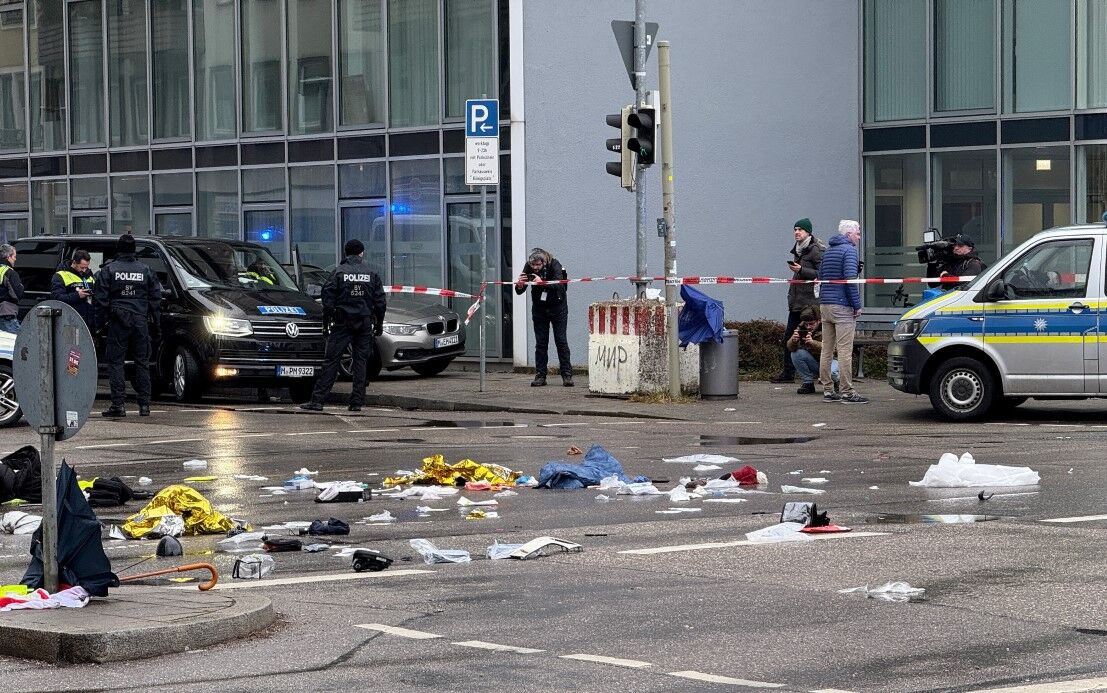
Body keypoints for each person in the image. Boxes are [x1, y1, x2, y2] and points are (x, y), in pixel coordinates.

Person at [300, 239, 386, 412]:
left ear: (346, 253)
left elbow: (328, 301)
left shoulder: (338, 272)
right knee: (360, 362)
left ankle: (317, 401)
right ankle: (356, 402)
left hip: (342, 323)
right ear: (361, 253)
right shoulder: (371, 273)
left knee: (331, 361)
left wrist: (326, 324)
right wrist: (379, 324)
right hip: (364, 322)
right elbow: (380, 302)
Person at [94, 234, 162, 418]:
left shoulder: (109, 270)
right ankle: (144, 405)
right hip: (140, 321)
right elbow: (156, 301)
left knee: (116, 363)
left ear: (118, 249)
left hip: (118, 321)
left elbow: (100, 302)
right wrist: (156, 328)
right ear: (134, 250)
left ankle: (118, 405)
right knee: (142, 363)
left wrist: (98, 327)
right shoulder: (146, 270)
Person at [817, 220, 867, 404]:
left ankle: (828, 390)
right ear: (849, 234)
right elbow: (849, 281)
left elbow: (821, 277)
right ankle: (847, 391)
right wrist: (856, 305)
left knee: (827, 349)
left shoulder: (828, 251)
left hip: (825, 304)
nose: (859, 237)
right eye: (857, 233)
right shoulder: (849, 251)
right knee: (845, 350)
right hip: (842, 305)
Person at [773, 218, 824, 383]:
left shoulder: (816, 250)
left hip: (809, 304)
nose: (796, 232)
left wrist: (802, 270)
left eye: (800, 229)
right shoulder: (798, 250)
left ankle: (818, 372)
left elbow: (822, 274)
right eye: (795, 229)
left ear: (808, 232)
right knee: (790, 337)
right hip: (797, 302)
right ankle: (789, 373)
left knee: (811, 338)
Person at [514, 248, 572, 387]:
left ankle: (567, 375)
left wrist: (542, 282)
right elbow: (520, 291)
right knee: (541, 342)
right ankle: (540, 375)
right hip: (539, 308)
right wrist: (520, 285)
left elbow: (560, 286)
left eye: (538, 265)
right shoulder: (528, 266)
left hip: (558, 306)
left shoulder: (555, 264)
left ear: (544, 261)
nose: (535, 268)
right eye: (533, 265)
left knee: (561, 340)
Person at [787, 306, 838, 395]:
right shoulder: (801, 328)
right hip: (816, 363)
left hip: (832, 361)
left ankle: (836, 382)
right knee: (796, 354)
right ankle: (808, 383)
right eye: (806, 324)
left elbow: (835, 350)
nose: (808, 327)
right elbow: (790, 347)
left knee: (832, 372)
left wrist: (813, 343)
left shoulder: (828, 328)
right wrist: (793, 341)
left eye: (811, 324)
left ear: (819, 320)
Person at [51, 249, 96, 329]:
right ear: (74, 262)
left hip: (88, 321)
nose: (84, 270)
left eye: (86, 267)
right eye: (82, 267)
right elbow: (57, 298)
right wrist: (77, 295)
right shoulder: (61, 275)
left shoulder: (88, 275)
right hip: (70, 321)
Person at [0, 244, 23, 334]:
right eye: (14, 256)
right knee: (18, 340)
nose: (15, 259)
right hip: (6, 315)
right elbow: (18, 293)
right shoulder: (9, 273)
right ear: (8, 257)